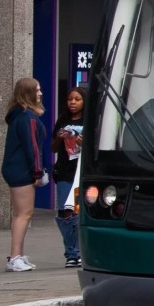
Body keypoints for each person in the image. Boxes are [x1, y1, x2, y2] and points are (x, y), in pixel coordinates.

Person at [1, 77, 47, 272]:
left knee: (21, 214)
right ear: (29, 93)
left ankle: (17, 255)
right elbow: (33, 149)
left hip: (15, 168)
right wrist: (38, 172)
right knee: (24, 214)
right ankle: (15, 257)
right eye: (37, 90)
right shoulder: (28, 118)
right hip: (21, 170)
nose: (40, 93)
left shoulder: (18, 115)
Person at [52, 86, 87, 269]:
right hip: (65, 172)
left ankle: (78, 252)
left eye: (77, 99)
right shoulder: (62, 121)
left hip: (80, 173)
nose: (73, 102)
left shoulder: (90, 120)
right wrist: (59, 138)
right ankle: (71, 253)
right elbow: (53, 148)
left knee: (77, 211)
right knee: (64, 213)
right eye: (70, 99)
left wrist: (83, 141)